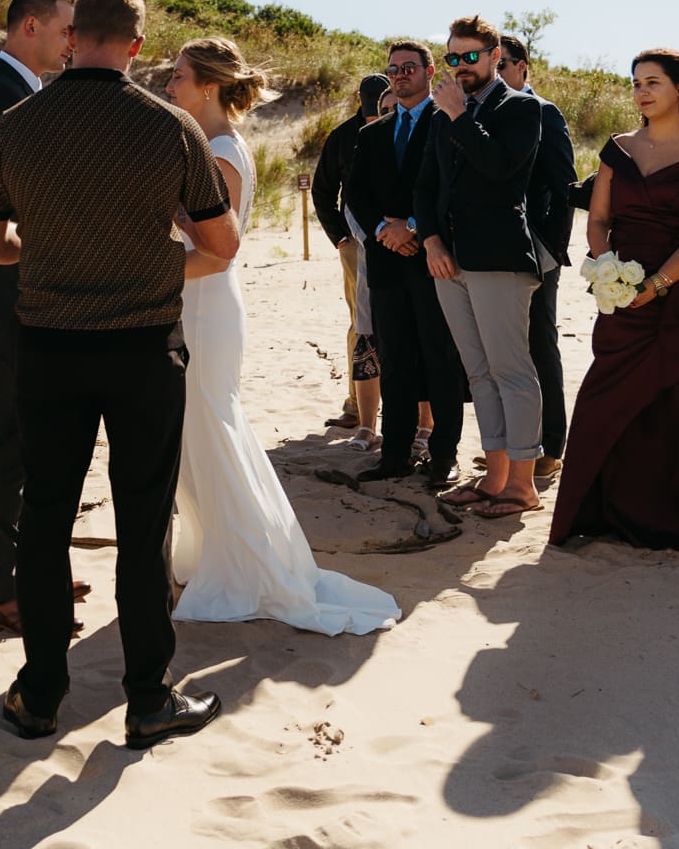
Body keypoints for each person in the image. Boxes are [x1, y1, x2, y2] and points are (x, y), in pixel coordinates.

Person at [0, 0, 238, 750]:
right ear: (136, 45)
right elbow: (221, 247)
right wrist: (151, 253)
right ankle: (148, 694)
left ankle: (40, 693)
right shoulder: (170, 127)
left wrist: (47, 252)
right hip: (143, 347)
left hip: (50, 345)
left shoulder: (16, 126)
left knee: (47, 517)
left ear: (71, 36)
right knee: (143, 520)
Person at [165, 38, 399, 635]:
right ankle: (215, 551)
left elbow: (217, 255)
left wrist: (144, 261)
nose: (169, 86)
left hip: (205, 305)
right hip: (197, 302)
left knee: (211, 426)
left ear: (209, 87)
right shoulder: (211, 144)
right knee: (201, 429)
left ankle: (247, 565)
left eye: (179, 76)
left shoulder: (217, 153)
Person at [549, 50, 679, 554]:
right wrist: (606, 270)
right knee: (608, 395)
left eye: (653, 83)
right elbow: (598, 219)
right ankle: (602, 509)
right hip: (620, 296)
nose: (642, 92)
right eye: (636, 84)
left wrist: (657, 285)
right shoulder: (618, 149)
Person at [0, 0, 78, 634]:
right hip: (9, 294)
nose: (71, 42)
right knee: (9, 443)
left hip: (29, 291)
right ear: (30, 26)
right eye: (65, 30)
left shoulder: (22, 91)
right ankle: (1, 588)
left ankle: (36, 568)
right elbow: (15, 208)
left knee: (31, 441)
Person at [417, 16, 546, 520]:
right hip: (448, 259)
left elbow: (501, 171)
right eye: (453, 58)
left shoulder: (522, 108)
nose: (461, 66)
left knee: (512, 371)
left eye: (471, 56)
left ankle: (523, 484)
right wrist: (430, 241)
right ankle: (494, 479)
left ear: (495, 56)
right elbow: (425, 187)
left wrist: (458, 117)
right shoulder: (439, 116)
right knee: (478, 372)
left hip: (500, 260)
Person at [345, 41, 468, 487]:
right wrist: (384, 231)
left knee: (440, 359)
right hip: (385, 263)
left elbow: (453, 188)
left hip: (433, 260)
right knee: (394, 360)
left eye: (409, 67)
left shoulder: (449, 122)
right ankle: (394, 455)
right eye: (393, 68)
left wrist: (414, 227)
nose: (399, 74)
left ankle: (443, 456)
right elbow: (355, 193)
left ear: (430, 71)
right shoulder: (372, 133)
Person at [498, 34, 576, 478]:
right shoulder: (481, 113)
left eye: (505, 64)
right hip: (488, 252)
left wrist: (549, 248)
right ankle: (514, 446)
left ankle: (550, 446)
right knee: (503, 352)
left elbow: (565, 186)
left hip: (536, 252)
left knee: (539, 343)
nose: (499, 73)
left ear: (523, 67)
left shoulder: (545, 112)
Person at [311, 73, 389, 443]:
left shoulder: (400, 123)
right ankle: (357, 406)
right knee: (361, 323)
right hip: (354, 244)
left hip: (398, 238)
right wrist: (339, 237)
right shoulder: (343, 136)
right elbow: (323, 189)